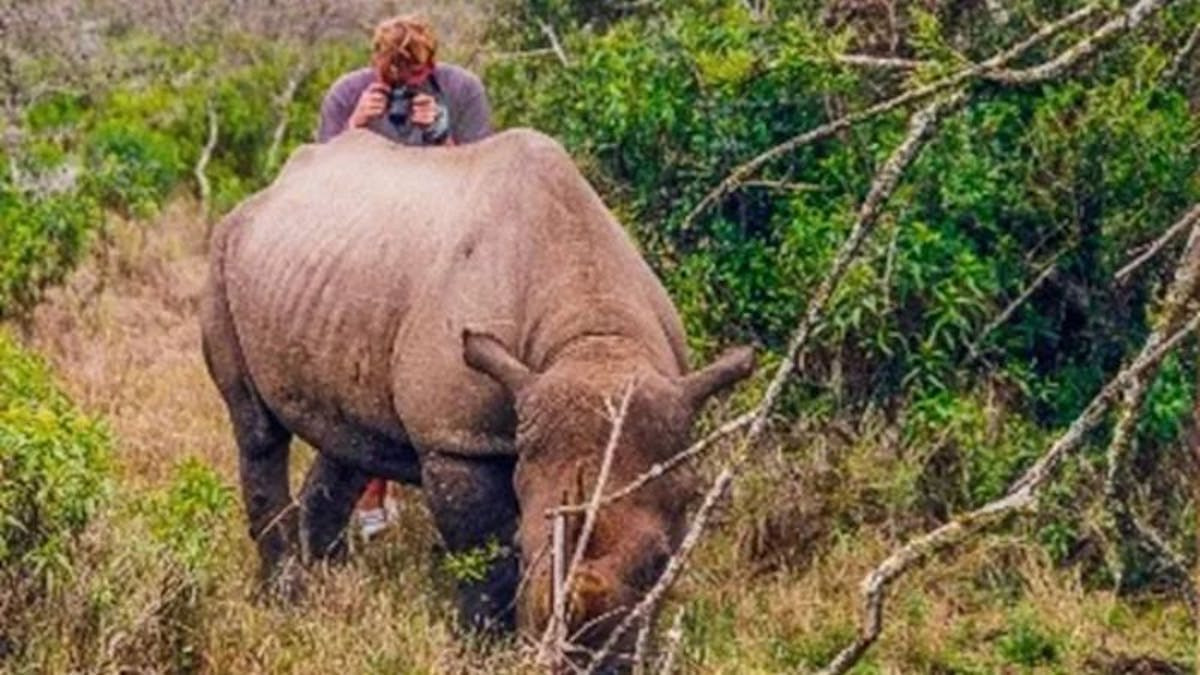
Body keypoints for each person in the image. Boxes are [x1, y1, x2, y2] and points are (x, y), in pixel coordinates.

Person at [316, 14, 494, 539]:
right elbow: (316, 184)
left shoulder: (461, 91)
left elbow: (484, 183)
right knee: (360, 379)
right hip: (367, 254)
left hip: (443, 258)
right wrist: (353, 132)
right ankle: (370, 503)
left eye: (410, 83)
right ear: (375, 65)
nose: (399, 92)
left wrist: (442, 137)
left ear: (431, 68)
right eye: (391, 82)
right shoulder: (347, 94)